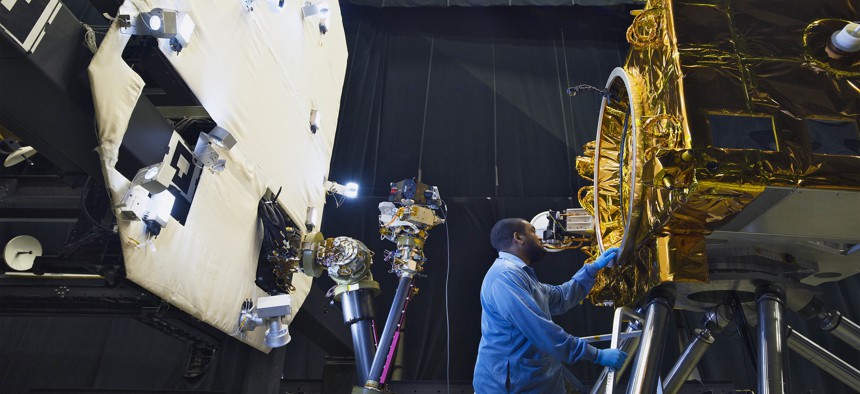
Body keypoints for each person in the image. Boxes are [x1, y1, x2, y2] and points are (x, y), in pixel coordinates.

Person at [473, 218, 627, 393]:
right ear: (518, 237)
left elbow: (560, 297)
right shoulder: (505, 276)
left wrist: (591, 270)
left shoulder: (521, 275)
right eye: (532, 231)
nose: (540, 237)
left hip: (533, 381)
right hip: (511, 385)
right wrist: (596, 355)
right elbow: (541, 330)